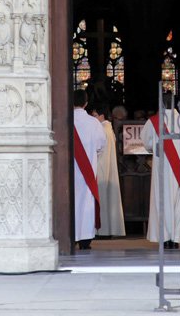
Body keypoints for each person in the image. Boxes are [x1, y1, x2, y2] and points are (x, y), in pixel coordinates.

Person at [141, 91, 180, 248]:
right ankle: (175, 239)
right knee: (176, 201)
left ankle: (164, 238)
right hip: (176, 166)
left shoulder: (153, 121)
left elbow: (147, 142)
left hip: (160, 165)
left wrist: (153, 150)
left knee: (161, 199)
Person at [73, 88, 107, 250]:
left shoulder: (65, 120)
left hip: (69, 171)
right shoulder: (94, 123)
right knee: (86, 202)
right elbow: (101, 145)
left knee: (71, 200)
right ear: (86, 103)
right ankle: (85, 239)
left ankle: (71, 235)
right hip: (88, 170)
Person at [92, 102, 126, 238]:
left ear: (101, 115)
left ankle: (102, 230)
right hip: (107, 167)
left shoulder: (101, 128)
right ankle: (108, 229)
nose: (93, 118)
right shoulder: (108, 128)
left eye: (95, 115)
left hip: (100, 167)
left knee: (102, 198)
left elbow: (97, 148)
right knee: (108, 198)